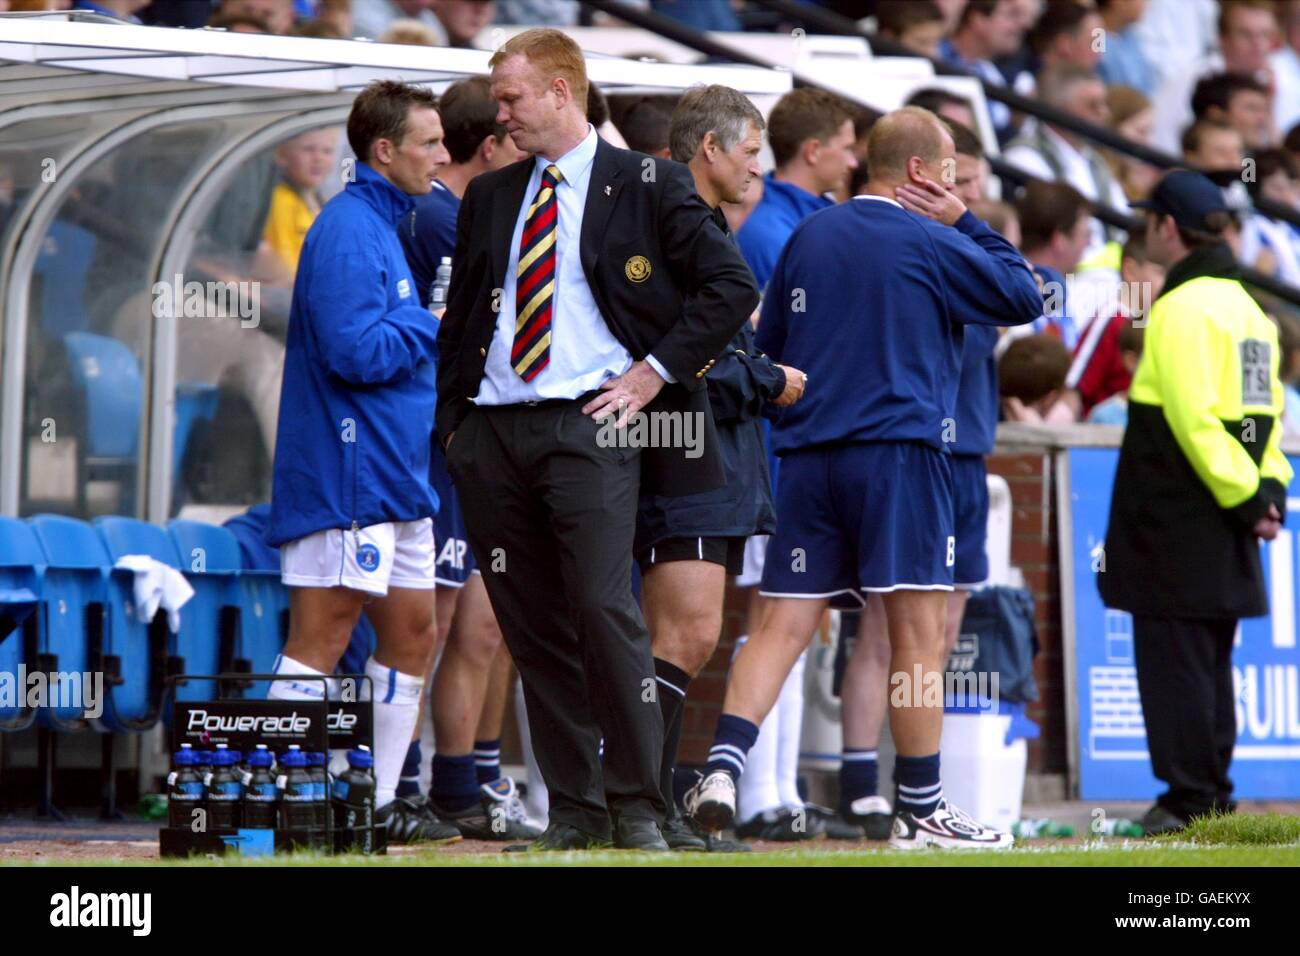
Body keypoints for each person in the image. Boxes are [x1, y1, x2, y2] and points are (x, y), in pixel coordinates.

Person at [684, 106, 1042, 850]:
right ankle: (922, 806)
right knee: (916, 638)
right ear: (920, 172)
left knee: (779, 626)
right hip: (902, 457)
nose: (954, 181)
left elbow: (771, 348)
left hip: (811, 459)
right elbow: (1025, 293)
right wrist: (967, 220)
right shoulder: (932, 235)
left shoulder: (810, 232)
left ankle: (721, 768)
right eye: (948, 168)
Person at [436, 28, 758, 852]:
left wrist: (653, 374)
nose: (497, 112)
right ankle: (575, 810)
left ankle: (641, 805)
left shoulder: (645, 182)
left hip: (593, 424)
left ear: (559, 91)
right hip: (496, 431)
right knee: (531, 622)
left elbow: (730, 287)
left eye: (510, 98)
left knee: (605, 610)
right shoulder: (492, 194)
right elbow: (469, 316)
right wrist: (457, 429)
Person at [264, 80, 458, 845]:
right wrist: (432, 322)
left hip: (397, 474)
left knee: (414, 632)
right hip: (351, 473)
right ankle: (271, 796)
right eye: (430, 143)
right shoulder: (347, 229)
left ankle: (373, 804)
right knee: (323, 634)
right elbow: (355, 351)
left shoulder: (385, 221)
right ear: (385, 151)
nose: (443, 156)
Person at [637, 84, 805, 853]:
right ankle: (639, 800)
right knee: (685, 634)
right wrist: (771, 380)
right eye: (747, 153)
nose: (756, 170)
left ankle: (649, 798)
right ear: (708, 149)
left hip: (707, 458)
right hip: (688, 458)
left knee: (686, 638)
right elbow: (688, 364)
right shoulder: (676, 225)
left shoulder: (692, 222)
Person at [1098, 169, 1293, 835]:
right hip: (1224, 515)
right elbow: (1260, 416)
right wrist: (1268, 491)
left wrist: (1246, 496)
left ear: (1167, 227)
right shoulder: (1250, 310)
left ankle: (1186, 800)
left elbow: (1192, 420)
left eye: (1149, 216)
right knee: (1208, 662)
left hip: (1176, 517)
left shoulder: (1178, 309)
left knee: (1175, 663)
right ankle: (1209, 793)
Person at [393, 74, 539, 840]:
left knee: (476, 622)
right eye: (518, 139)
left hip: (474, 444)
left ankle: (460, 780)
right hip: (439, 445)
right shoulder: (437, 219)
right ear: (491, 146)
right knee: (436, 621)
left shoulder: (459, 214)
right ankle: (416, 783)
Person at [1003, 65, 1131, 262]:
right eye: (1093, 105)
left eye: (1105, 104)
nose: (1104, 113)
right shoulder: (1023, 156)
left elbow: (1123, 221)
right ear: (1059, 108)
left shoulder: (1095, 161)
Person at [736, 88, 856, 290]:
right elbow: (800, 312)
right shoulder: (773, 237)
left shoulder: (808, 219)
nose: (852, 162)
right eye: (846, 148)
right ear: (813, 151)